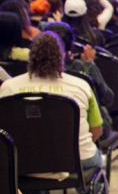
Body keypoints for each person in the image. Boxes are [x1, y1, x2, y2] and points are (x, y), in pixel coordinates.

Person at [0, 32, 104, 176]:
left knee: (31, 175)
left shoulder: (8, 88)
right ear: (62, 56)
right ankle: (89, 193)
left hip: (25, 162)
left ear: (31, 56)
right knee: (97, 162)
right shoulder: (81, 86)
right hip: (77, 158)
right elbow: (97, 130)